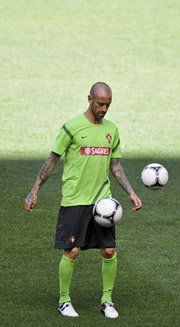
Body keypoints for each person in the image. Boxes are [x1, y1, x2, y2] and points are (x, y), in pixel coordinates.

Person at [25, 82, 142, 318]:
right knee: (72, 251)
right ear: (89, 99)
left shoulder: (112, 130)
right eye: (100, 104)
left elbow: (115, 165)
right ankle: (64, 300)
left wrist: (130, 191)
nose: (104, 109)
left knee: (109, 250)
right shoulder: (72, 128)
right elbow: (52, 160)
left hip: (103, 202)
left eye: (108, 104)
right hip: (74, 199)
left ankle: (107, 301)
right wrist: (35, 189)